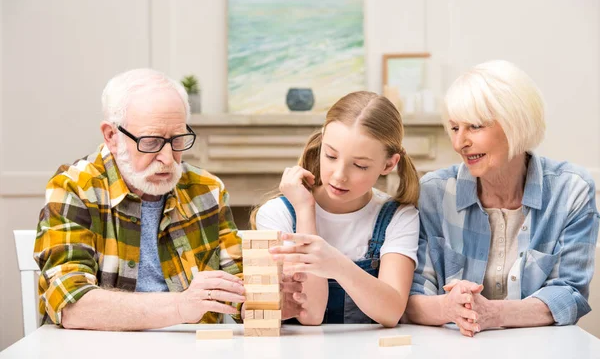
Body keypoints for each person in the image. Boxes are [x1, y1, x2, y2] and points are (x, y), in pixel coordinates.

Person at [34, 68, 306, 330]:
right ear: (111, 136)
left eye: (177, 140)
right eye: (151, 142)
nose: (167, 158)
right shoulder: (74, 187)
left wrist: (265, 302)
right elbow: (71, 304)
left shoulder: (206, 190)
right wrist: (179, 307)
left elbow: (235, 284)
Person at [406, 60, 599, 336]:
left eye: (474, 126)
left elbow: (569, 296)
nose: (459, 143)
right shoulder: (434, 192)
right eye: (454, 128)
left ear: (515, 123)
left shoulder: (570, 191)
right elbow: (410, 298)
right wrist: (448, 307)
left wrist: (493, 314)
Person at [251, 91, 420, 326]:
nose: (339, 176)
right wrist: (304, 209)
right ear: (322, 142)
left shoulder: (399, 218)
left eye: (359, 165)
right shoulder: (277, 214)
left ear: (389, 164)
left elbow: (391, 312)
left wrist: (336, 264)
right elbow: (311, 314)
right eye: (331, 156)